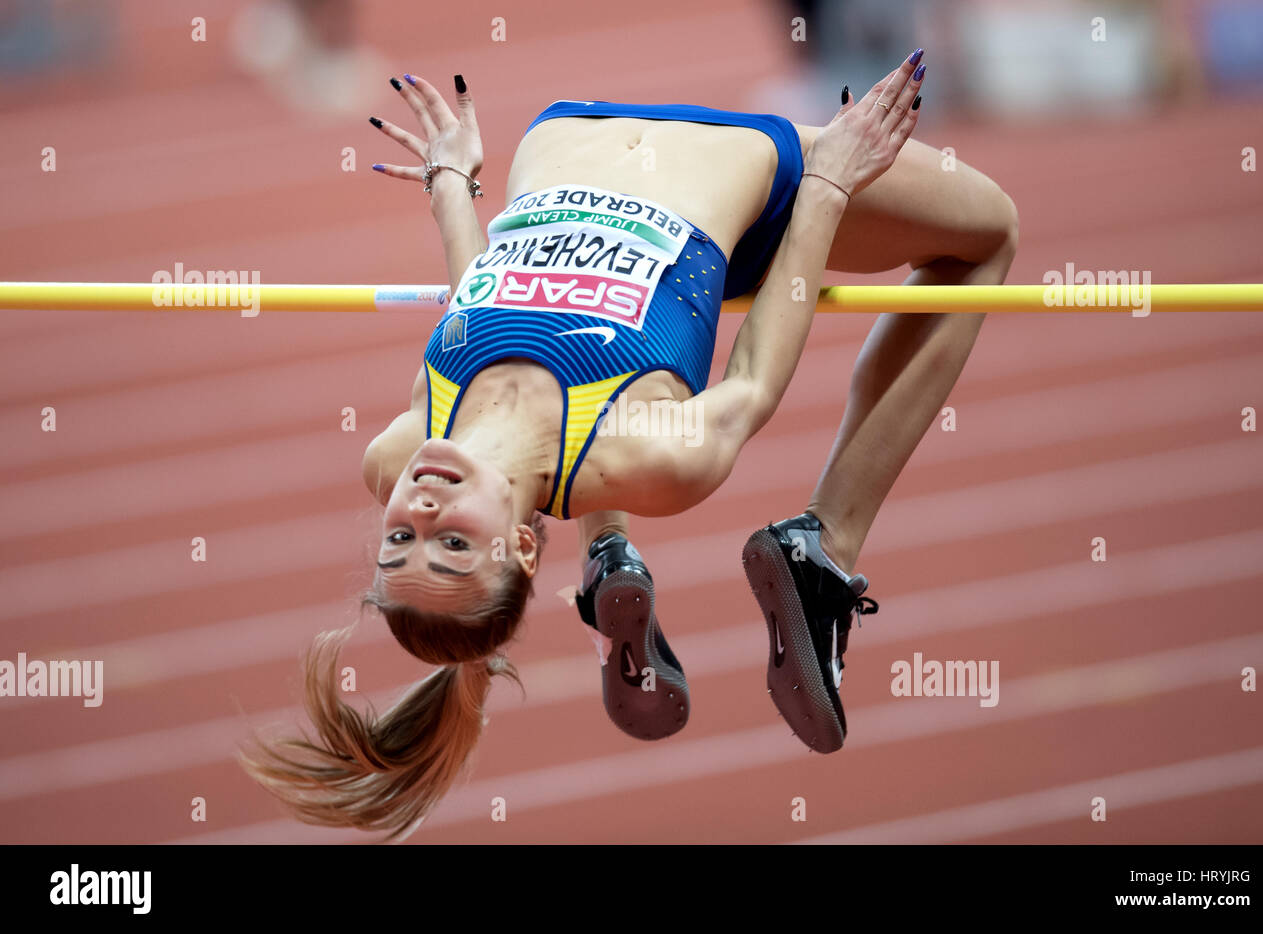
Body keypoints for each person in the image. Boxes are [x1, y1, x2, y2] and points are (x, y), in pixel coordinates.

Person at [240, 49, 1017, 838]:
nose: (424, 504)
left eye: (401, 537)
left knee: (537, 441)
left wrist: (452, 185)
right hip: (744, 173)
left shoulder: (406, 445)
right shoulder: (651, 454)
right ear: (518, 545)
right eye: (453, 544)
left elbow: (473, 303)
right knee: (988, 234)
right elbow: (751, 384)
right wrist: (828, 180)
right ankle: (824, 546)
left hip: (566, 136)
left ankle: (610, 550)